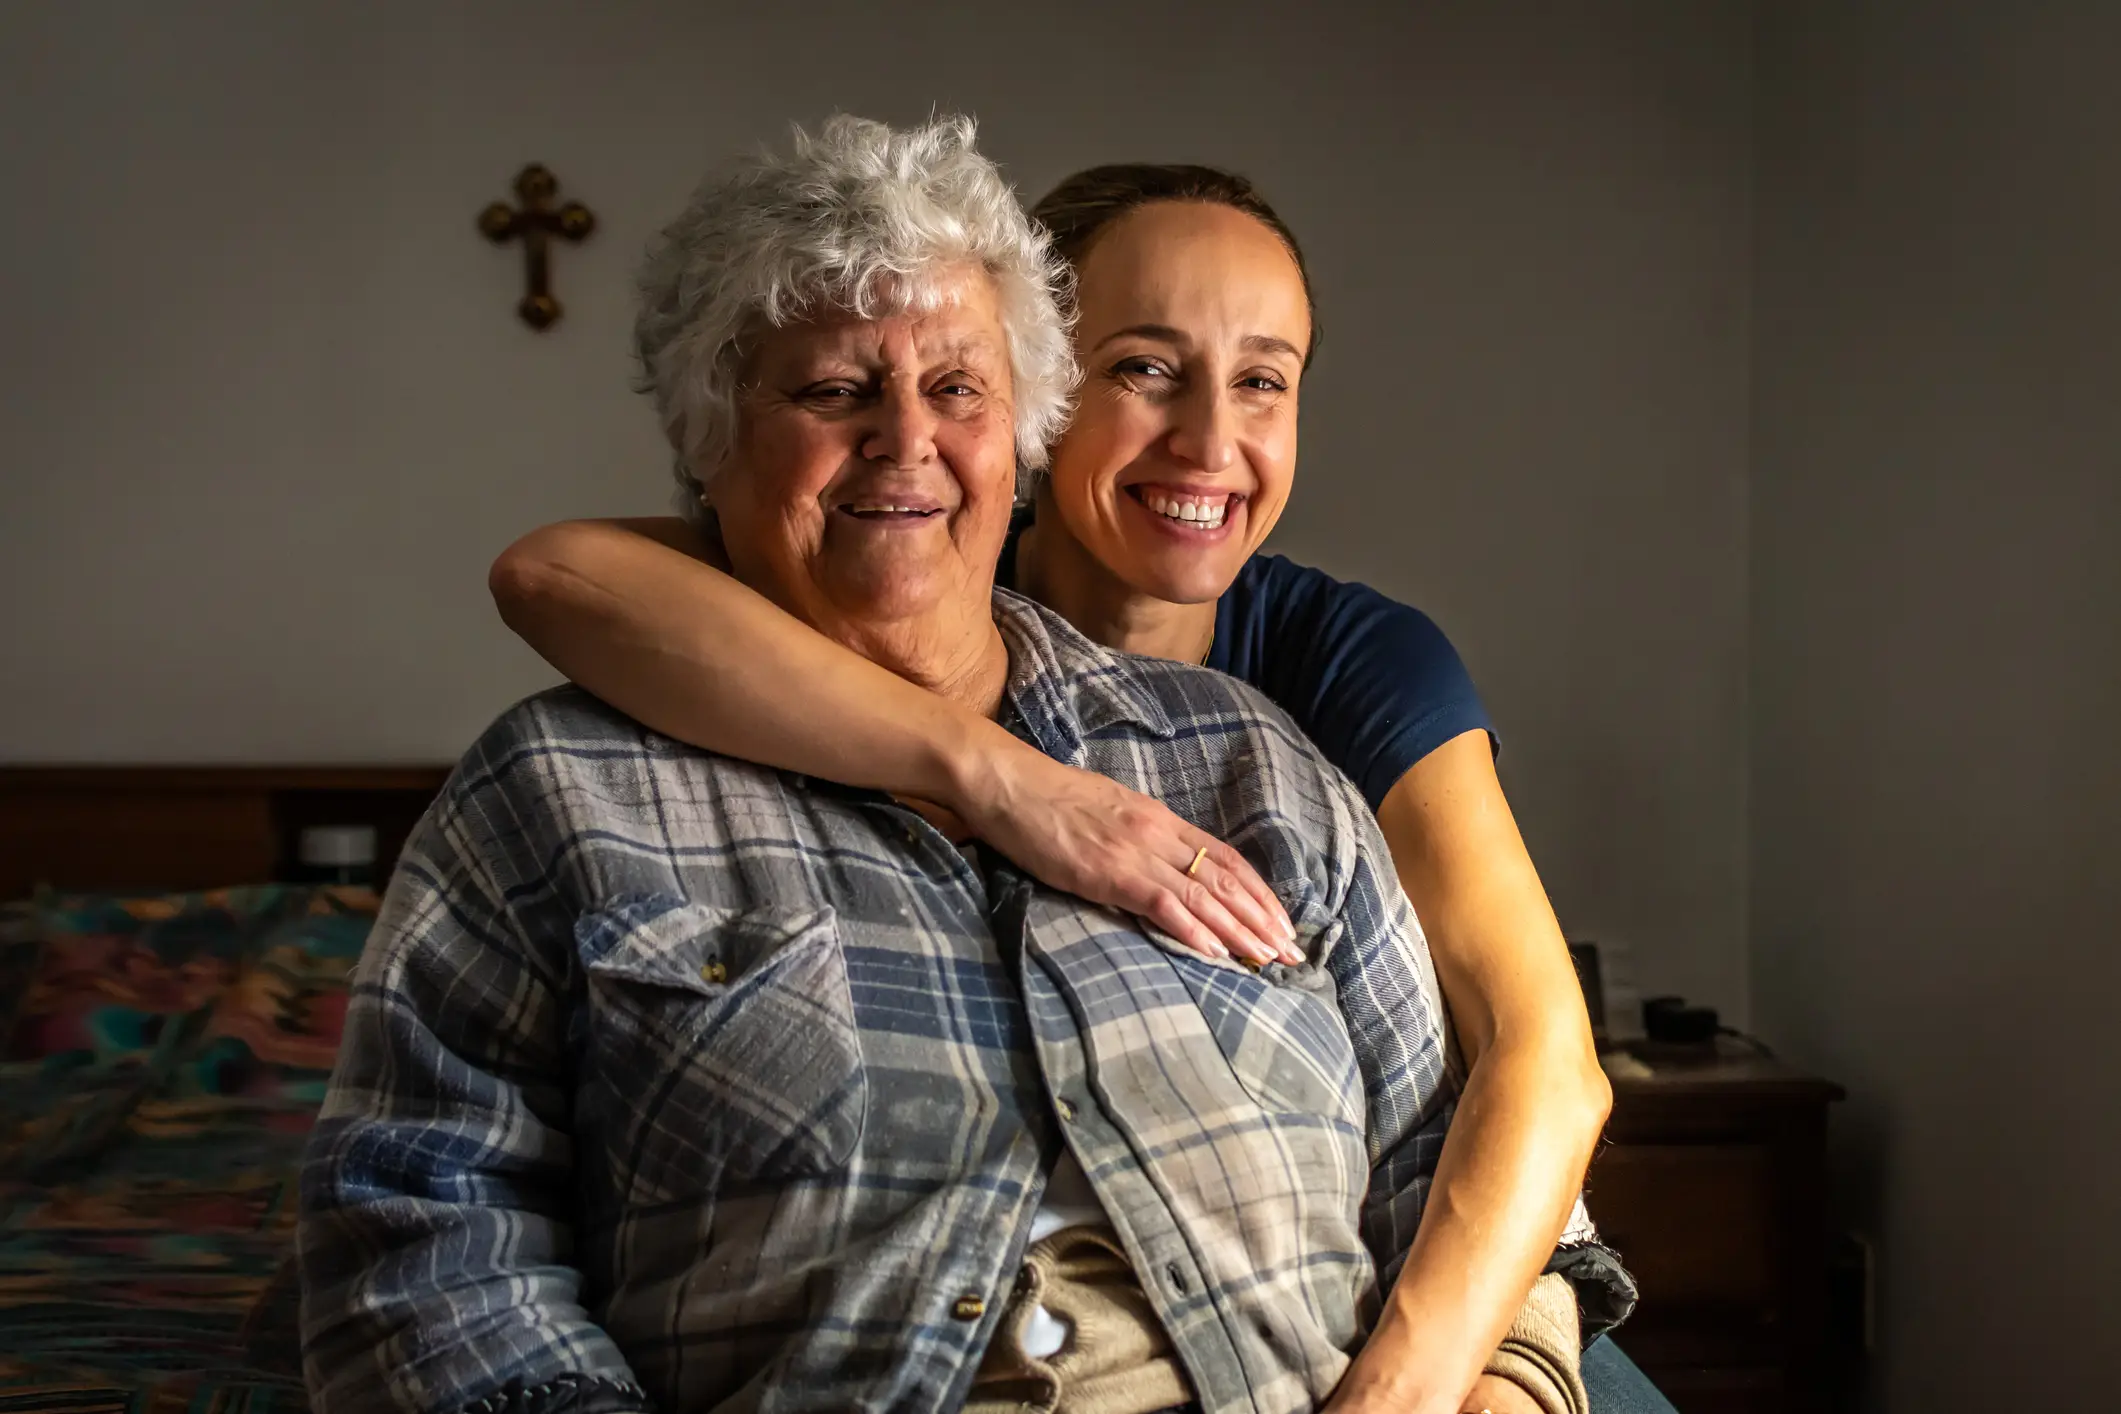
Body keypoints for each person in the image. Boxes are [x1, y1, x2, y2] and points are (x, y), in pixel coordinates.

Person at [303, 117, 1625, 1414]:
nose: (905, 442)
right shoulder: (557, 791)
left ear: (1021, 431)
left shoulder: (1266, 758)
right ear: (711, 442)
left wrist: (1503, 1380)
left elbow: (1500, 1173)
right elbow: (427, 1227)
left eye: (958, 388)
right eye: (831, 390)